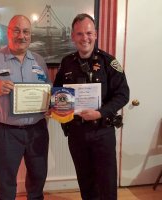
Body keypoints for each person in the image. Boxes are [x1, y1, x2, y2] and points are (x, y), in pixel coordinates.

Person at [0, 15, 51, 200]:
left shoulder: (39, 60)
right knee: (5, 184)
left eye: (26, 32)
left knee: (38, 179)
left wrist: (50, 104)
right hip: (4, 132)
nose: (21, 36)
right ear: (8, 32)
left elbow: (47, 89)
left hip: (37, 130)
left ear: (30, 35)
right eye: (16, 30)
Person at [53, 13, 130, 200]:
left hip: (102, 131)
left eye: (88, 33)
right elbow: (58, 93)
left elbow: (123, 95)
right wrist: (57, 108)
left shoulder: (108, 62)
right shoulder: (67, 62)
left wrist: (100, 113)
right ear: (73, 36)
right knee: (85, 180)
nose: (84, 38)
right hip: (76, 132)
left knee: (106, 181)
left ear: (95, 34)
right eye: (79, 34)